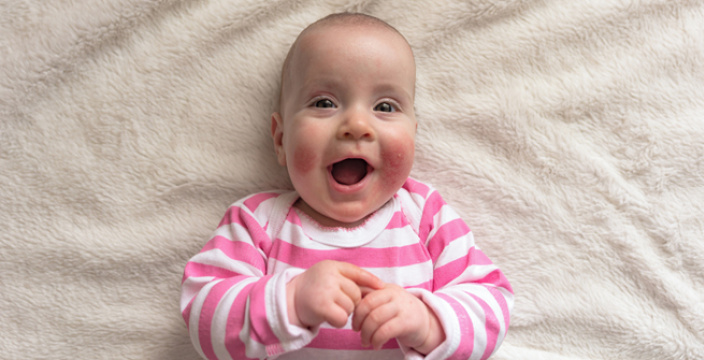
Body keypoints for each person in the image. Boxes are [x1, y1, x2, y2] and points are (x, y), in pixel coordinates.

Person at [180, 12, 513, 360]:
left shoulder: (425, 216)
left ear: (413, 134)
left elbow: (491, 304)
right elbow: (204, 315)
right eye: (324, 103)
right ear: (280, 139)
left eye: (385, 106)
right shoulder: (257, 223)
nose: (356, 125)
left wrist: (428, 322)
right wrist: (290, 301)